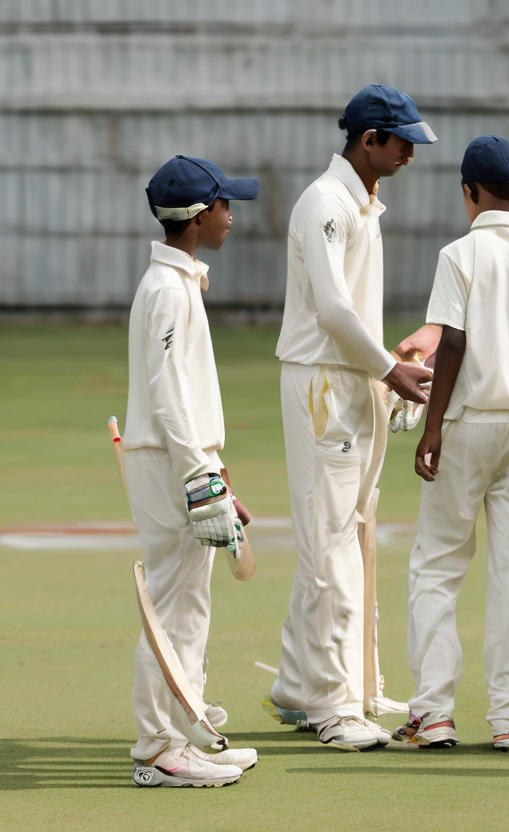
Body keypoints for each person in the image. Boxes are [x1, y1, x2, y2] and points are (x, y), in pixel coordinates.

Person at [267, 84, 434, 751]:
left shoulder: (363, 204)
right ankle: (332, 707)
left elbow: (352, 315)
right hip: (323, 385)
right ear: (370, 140)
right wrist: (388, 371)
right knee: (329, 540)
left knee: (350, 531)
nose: (410, 155)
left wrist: (383, 372)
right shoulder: (325, 203)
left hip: (355, 377)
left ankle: (315, 685)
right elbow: (332, 310)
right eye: (402, 143)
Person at [397, 135, 509, 750]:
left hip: (469, 423)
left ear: (468, 191)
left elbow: (451, 342)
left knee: (439, 565)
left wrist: (431, 425)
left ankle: (435, 712)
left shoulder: (459, 253)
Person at [126, 155, 261, 786]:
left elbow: (189, 396)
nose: (232, 216)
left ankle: (185, 731)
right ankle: (157, 746)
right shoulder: (165, 290)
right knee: (172, 605)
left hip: (188, 462)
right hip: (170, 465)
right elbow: (166, 395)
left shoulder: (179, 283)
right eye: (225, 205)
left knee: (192, 604)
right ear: (199, 215)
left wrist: (218, 476)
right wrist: (198, 478)